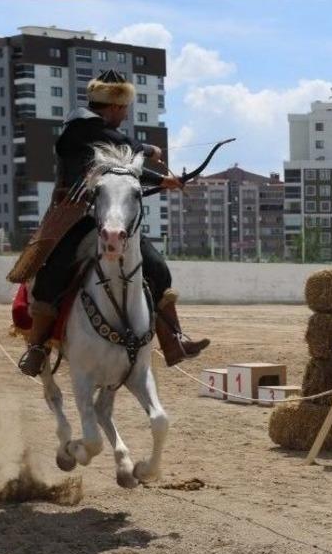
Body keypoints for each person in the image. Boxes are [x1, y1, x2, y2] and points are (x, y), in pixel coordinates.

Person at [17, 69, 209, 376]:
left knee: (156, 267)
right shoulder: (80, 126)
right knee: (52, 273)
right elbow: (121, 143)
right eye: (124, 108)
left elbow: (125, 167)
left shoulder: (103, 133)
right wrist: (151, 152)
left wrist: (163, 179)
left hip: (111, 213)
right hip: (74, 216)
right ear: (115, 106)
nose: (125, 114)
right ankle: (38, 347)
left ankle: (173, 340)